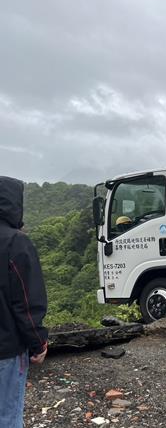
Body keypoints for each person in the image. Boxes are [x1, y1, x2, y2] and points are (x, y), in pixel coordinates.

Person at [0, 176, 48, 428]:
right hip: (6, 349)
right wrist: (38, 342)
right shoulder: (15, 242)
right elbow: (26, 304)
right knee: (7, 416)